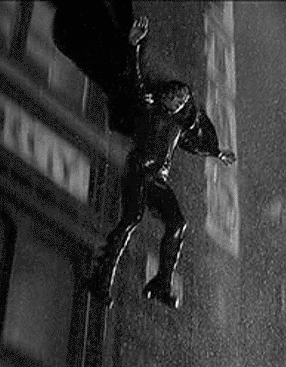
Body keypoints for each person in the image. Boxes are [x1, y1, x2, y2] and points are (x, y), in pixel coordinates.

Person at [92, 17, 236, 308]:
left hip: (158, 180)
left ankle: (162, 282)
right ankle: (102, 278)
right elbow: (136, 81)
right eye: (175, 96)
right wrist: (134, 46)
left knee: (178, 224)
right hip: (139, 172)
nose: (178, 101)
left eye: (182, 99)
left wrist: (217, 153)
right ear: (166, 95)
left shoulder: (179, 126)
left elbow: (197, 145)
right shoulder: (150, 107)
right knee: (131, 220)